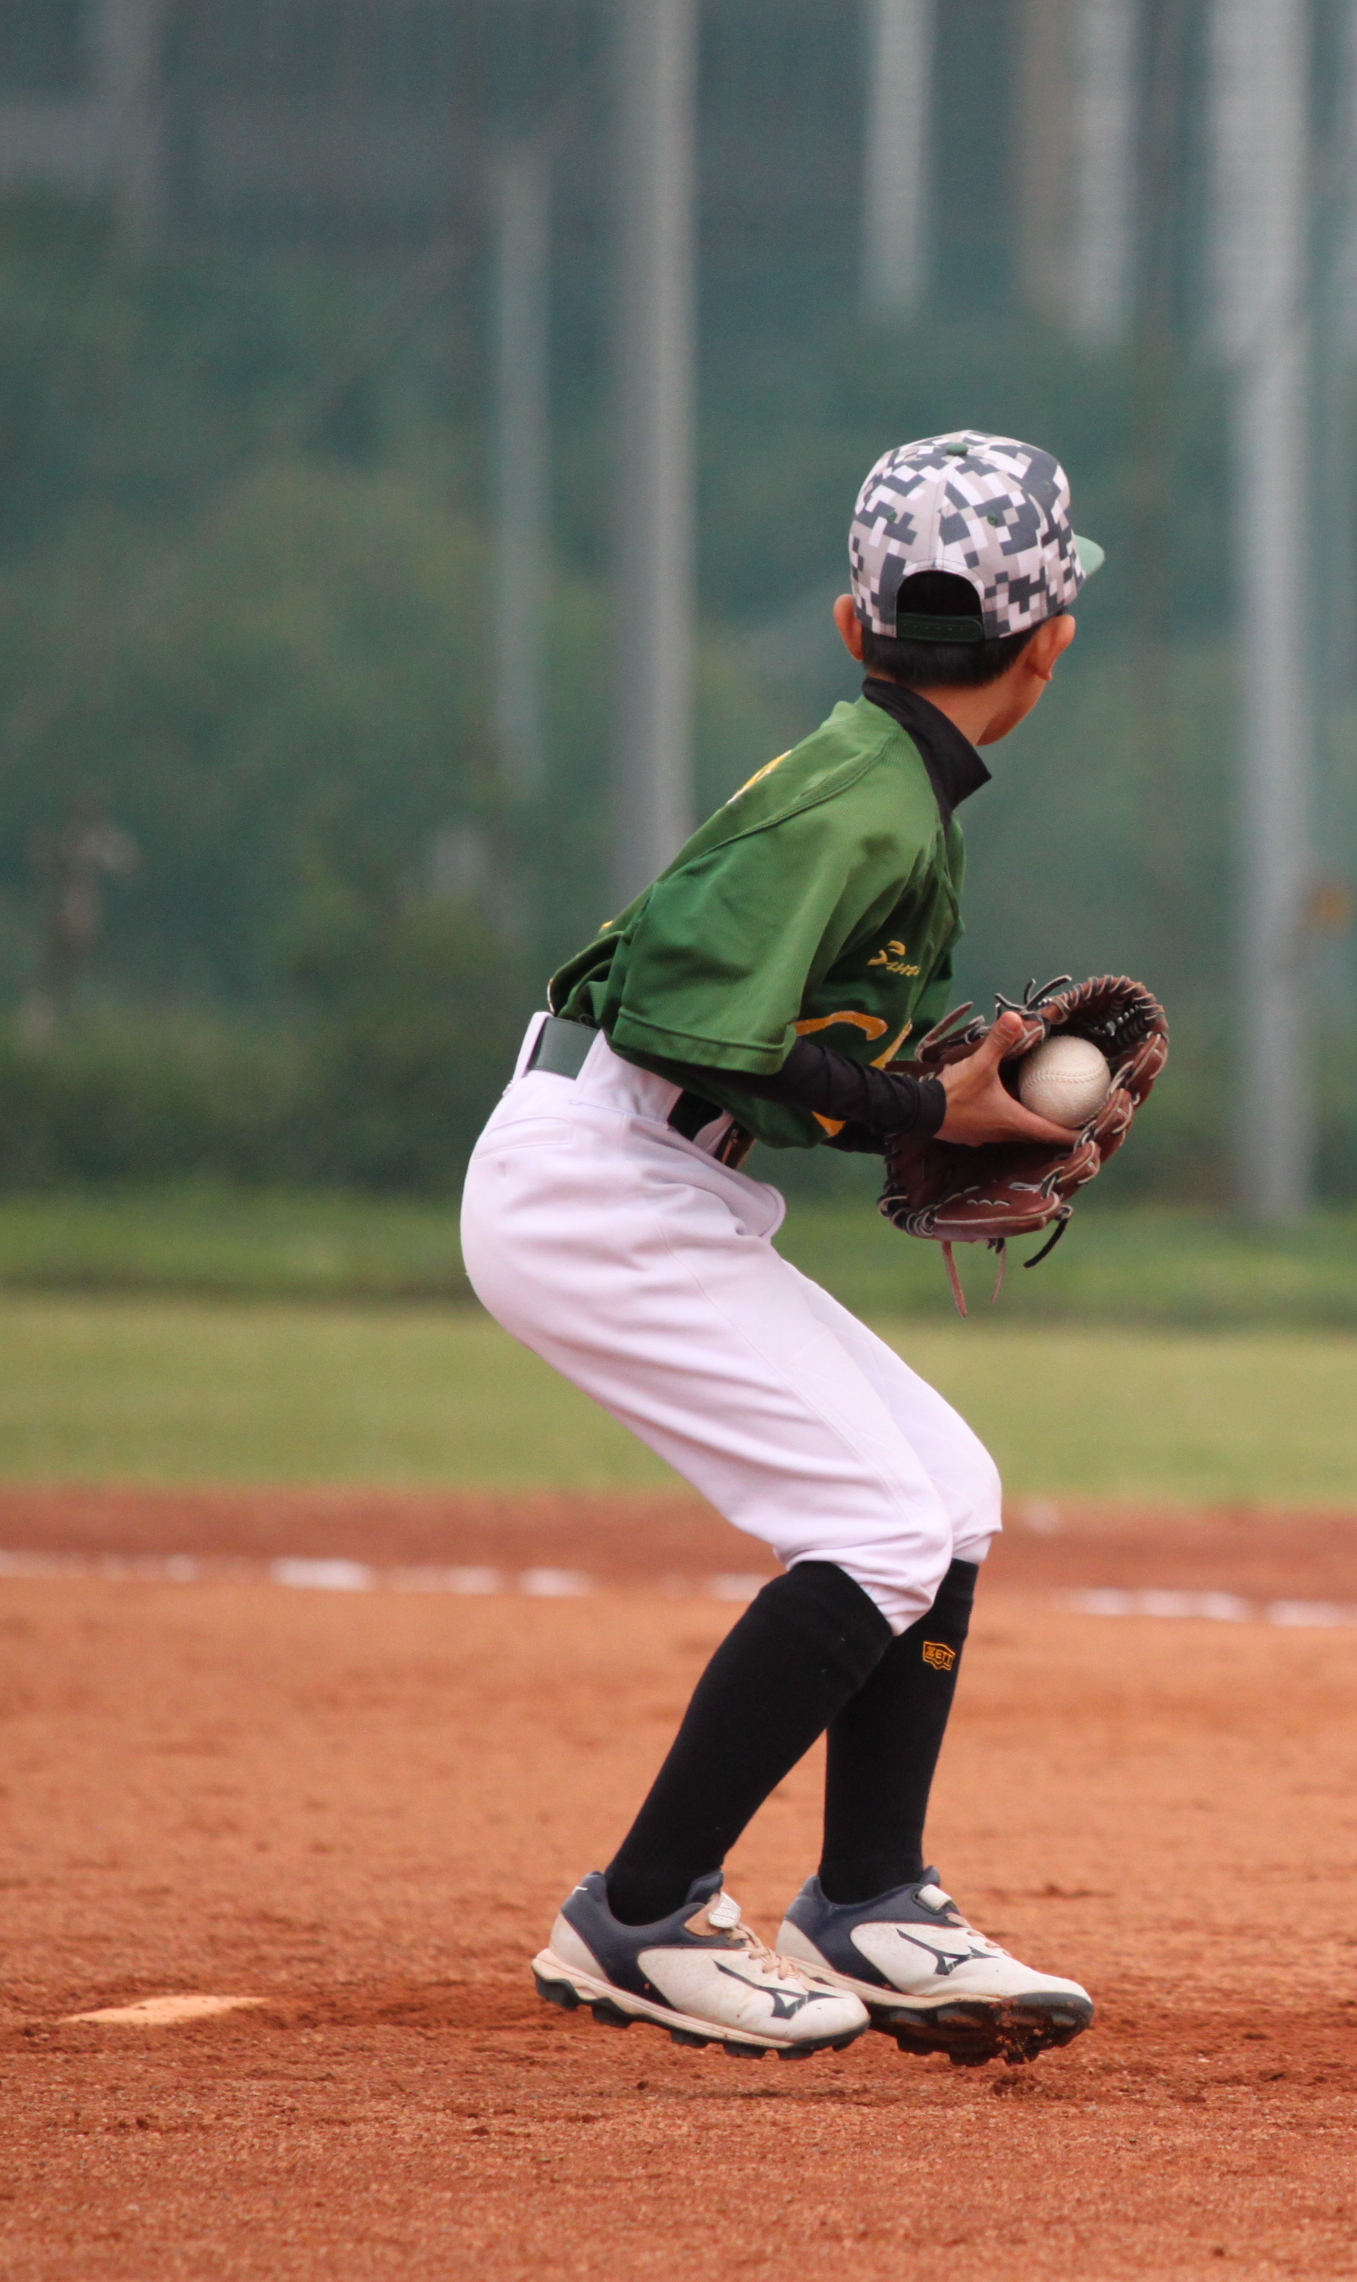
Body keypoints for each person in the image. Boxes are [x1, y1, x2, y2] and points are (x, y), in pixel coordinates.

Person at [460, 432, 1104, 2057]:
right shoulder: (864, 796)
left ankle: (871, 1896)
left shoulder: (882, 780)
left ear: (848, 624)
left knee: (946, 1490)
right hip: (595, 1183)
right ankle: (642, 1907)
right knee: (874, 1524)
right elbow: (683, 1026)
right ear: (1051, 642)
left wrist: (930, 1111)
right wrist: (925, 1105)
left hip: (651, 1176)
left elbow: (755, 1053)